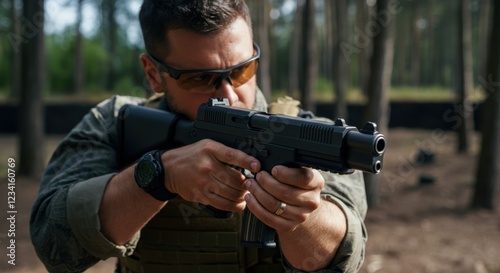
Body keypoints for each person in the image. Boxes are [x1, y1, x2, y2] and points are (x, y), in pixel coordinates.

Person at [30, 0, 367, 272]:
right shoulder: (114, 122)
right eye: (200, 79)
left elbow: (344, 256)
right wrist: (157, 176)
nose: (229, 95)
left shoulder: (306, 134)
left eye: (241, 70)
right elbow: (53, 243)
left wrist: (302, 219)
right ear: (153, 74)